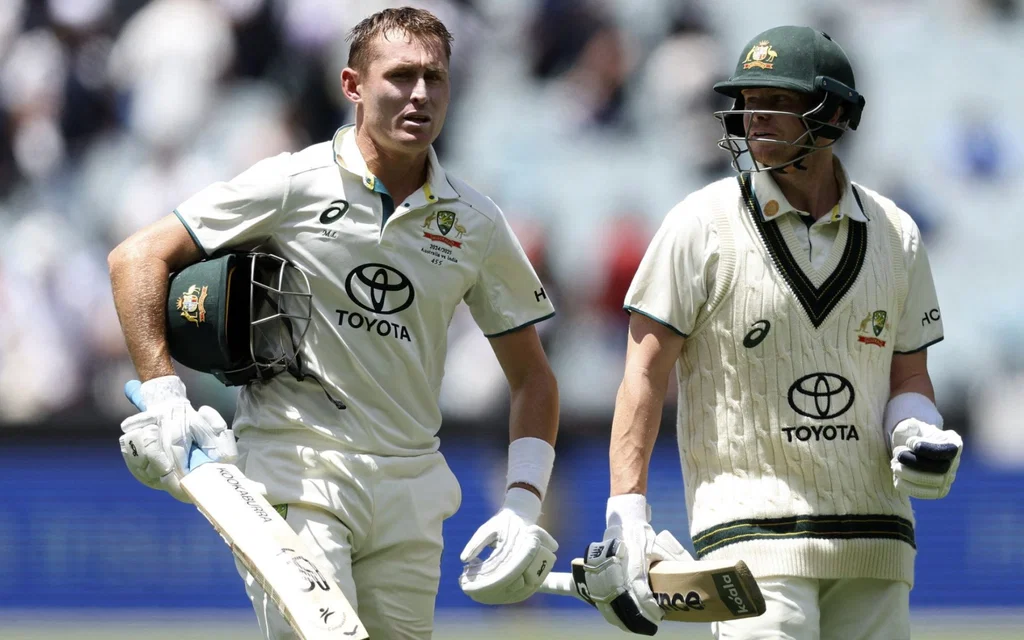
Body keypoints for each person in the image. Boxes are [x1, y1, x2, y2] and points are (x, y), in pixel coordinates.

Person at [107, 7, 560, 639]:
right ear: (353, 86)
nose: (421, 95)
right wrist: (163, 393)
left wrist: (521, 503)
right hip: (298, 468)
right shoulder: (295, 181)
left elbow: (533, 379)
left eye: (436, 78)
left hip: (410, 486)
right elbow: (136, 258)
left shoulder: (475, 223)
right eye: (400, 77)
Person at [578, 26, 962, 639]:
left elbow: (909, 376)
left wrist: (917, 430)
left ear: (834, 113)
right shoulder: (699, 225)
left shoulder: (898, 234)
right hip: (751, 537)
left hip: (877, 539)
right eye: (749, 101)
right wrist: (627, 511)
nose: (755, 118)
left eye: (778, 102)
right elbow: (643, 376)